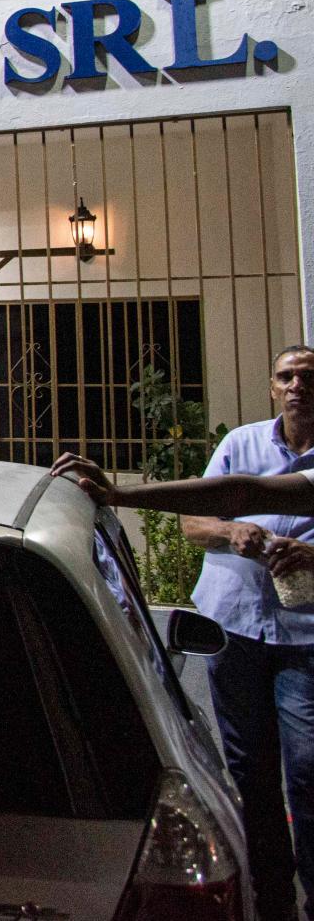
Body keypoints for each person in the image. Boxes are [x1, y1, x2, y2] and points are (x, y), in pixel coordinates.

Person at [59, 344, 314, 921]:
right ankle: (272, 899)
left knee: (306, 771)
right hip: (235, 627)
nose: (298, 387)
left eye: (308, 377)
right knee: (249, 772)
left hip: (305, 638)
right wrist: (231, 533)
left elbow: (246, 492)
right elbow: (216, 506)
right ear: (273, 386)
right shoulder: (243, 442)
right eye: (287, 377)